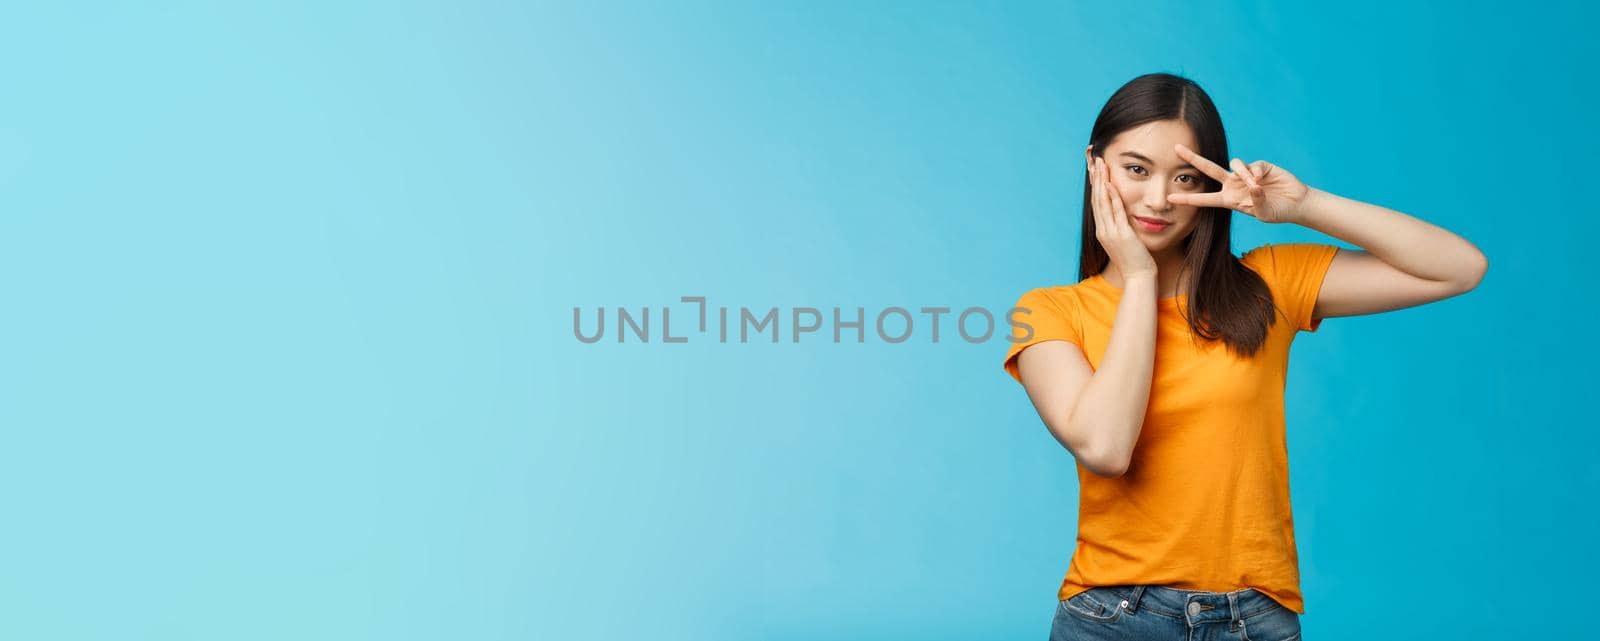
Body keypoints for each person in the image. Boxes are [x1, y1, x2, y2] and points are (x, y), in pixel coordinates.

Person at [1001, 72, 1487, 641]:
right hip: (1112, 618)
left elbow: (1459, 267)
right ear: (1095, 165)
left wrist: (1304, 205)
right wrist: (1137, 277)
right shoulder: (1049, 311)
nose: (1159, 198)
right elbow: (1106, 448)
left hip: (1251, 621)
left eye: (1184, 176)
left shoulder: (1268, 283)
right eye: (1137, 169)